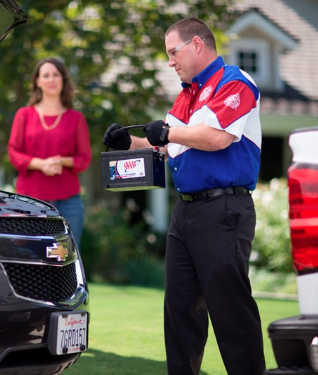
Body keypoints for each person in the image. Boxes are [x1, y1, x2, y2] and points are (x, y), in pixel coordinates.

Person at [103, 17, 265, 375]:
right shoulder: (185, 95)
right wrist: (128, 143)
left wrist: (169, 133)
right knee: (179, 310)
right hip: (186, 212)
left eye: (173, 52)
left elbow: (216, 137)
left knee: (230, 309)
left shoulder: (234, 81)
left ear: (196, 44)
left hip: (224, 209)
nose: (170, 61)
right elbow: (165, 144)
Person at [8, 57, 91, 246]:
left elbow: (84, 159)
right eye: (46, 75)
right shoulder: (24, 115)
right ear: (37, 81)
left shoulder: (76, 118)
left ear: (63, 79)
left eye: (56, 75)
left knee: (63, 258)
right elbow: (13, 153)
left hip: (68, 203)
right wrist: (41, 164)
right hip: (30, 201)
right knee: (28, 256)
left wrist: (61, 161)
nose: (51, 80)